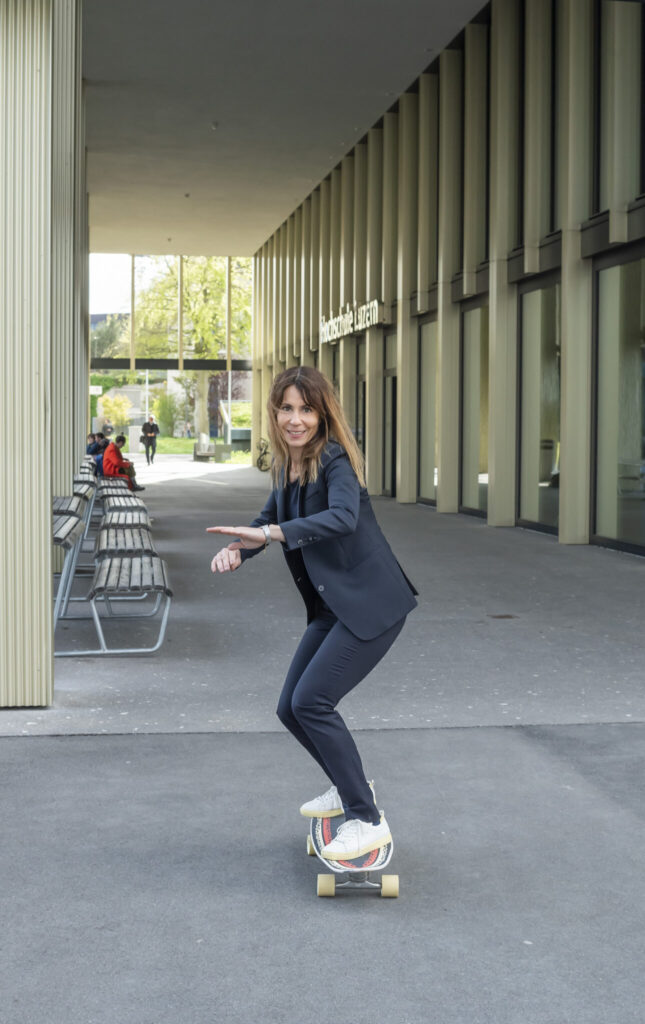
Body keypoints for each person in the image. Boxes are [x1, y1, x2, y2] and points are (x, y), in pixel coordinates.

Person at [207, 366, 417, 861]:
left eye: (306, 409)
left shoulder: (335, 460)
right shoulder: (286, 465)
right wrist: (240, 549)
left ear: (322, 414)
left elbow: (342, 518)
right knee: (290, 707)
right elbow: (267, 521)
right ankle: (348, 787)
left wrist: (273, 535)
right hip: (331, 606)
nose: (295, 419)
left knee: (313, 702)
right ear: (275, 413)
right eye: (286, 409)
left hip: (370, 604)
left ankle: (365, 818)